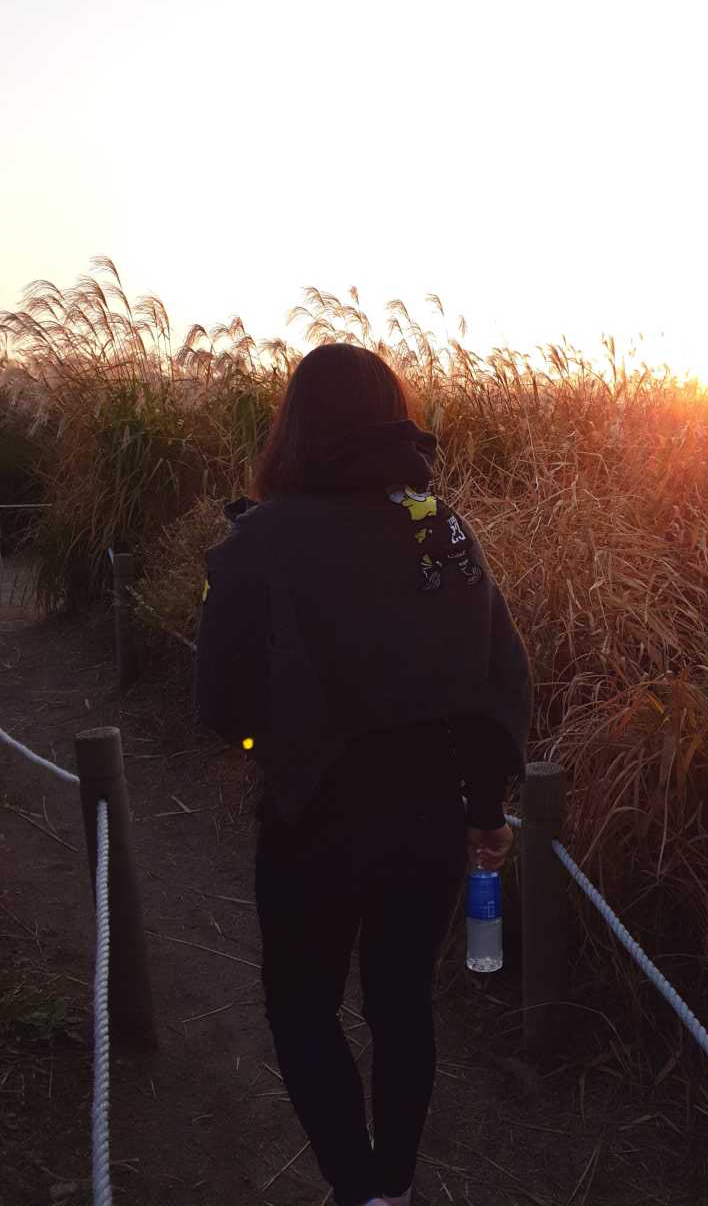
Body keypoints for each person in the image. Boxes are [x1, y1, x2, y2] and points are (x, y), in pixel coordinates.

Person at [193, 343, 532, 1206]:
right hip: (429, 817)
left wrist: (264, 746)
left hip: (311, 814)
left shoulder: (263, 539)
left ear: (296, 426)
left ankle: (357, 1186)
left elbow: (220, 703)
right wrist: (485, 806)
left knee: (302, 1007)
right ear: (391, 415)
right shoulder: (436, 525)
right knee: (401, 1002)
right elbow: (495, 678)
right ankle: (395, 1186)